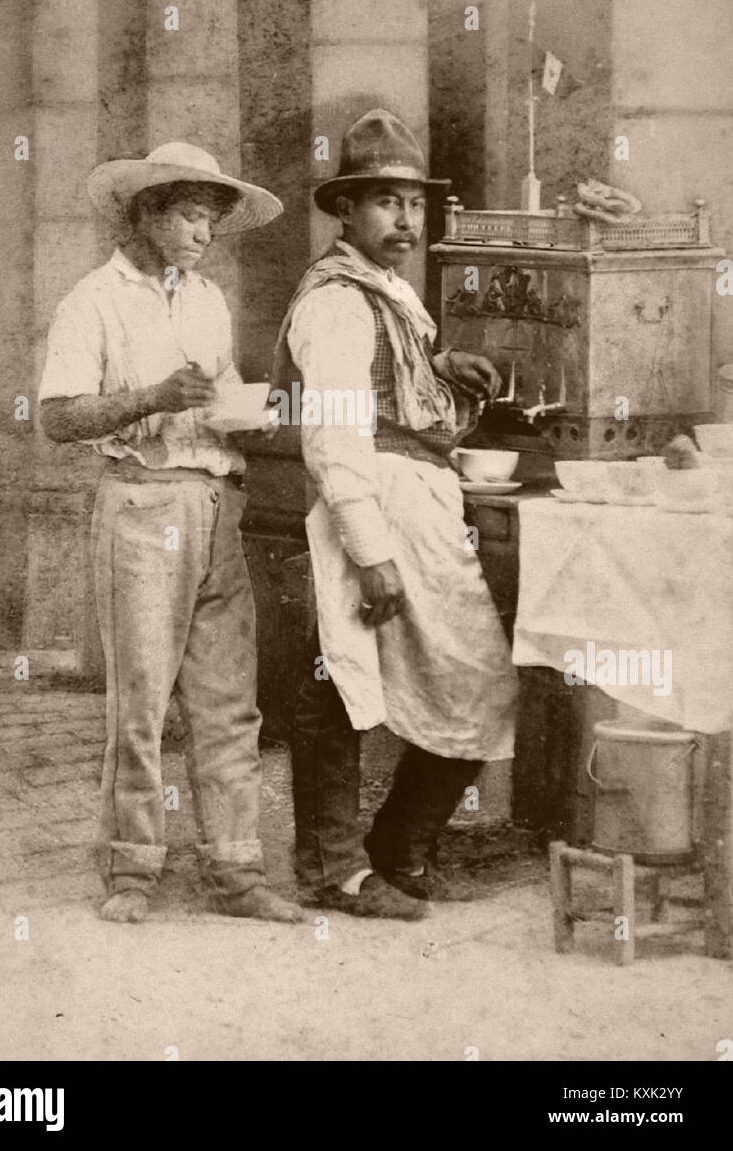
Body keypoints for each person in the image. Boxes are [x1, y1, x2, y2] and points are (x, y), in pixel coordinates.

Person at [40, 142, 302, 924]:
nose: (203, 234)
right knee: (142, 701)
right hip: (142, 503)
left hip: (217, 501)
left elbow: (217, 400)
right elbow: (58, 417)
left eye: (212, 221)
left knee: (229, 701)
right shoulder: (92, 300)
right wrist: (150, 394)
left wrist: (253, 412)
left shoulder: (207, 300)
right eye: (190, 215)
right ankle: (133, 871)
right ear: (148, 212)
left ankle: (236, 871)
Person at [273, 109, 519, 921]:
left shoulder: (391, 295)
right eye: (383, 202)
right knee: (340, 683)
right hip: (372, 500)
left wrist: (436, 364)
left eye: (414, 203)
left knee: (474, 678)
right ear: (345, 211)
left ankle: (396, 844)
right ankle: (337, 870)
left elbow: (388, 385)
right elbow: (336, 432)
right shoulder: (337, 302)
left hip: (422, 500)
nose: (405, 219)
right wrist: (369, 548)